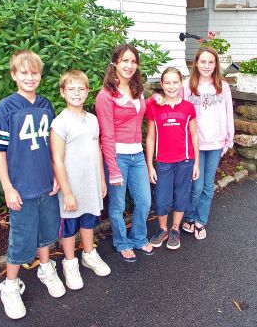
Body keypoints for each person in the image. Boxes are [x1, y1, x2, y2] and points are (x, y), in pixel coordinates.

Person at [0, 50, 65, 320]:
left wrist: (57, 174)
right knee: (21, 238)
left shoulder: (46, 104)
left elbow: (52, 146)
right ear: (13, 75)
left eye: (34, 72)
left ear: (40, 74)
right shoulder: (4, 108)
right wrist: (8, 187)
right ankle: (10, 285)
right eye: (24, 72)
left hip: (45, 181)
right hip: (21, 185)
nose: (30, 77)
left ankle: (45, 268)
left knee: (47, 231)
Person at [50, 70, 111, 290]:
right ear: (62, 92)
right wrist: (66, 192)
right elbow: (57, 159)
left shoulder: (93, 119)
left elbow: (98, 149)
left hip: (91, 183)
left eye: (81, 89)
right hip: (71, 186)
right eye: (71, 89)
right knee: (69, 226)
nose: (76, 93)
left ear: (87, 92)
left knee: (88, 220)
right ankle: (69, 263)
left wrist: (102, 179)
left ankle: (88, 253)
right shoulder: (60, 123)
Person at [95, 44, 153, 262]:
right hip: (117, 156)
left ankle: (138, 237)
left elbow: (138, 113)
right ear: (115, 64)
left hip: (137, 155)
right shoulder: (105, 95)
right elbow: (107, 135)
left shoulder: (138, 89)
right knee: (118, 205)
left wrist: (155, 100)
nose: (129, 66)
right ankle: (122, 242)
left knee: (145, 202)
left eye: (133, 61)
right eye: (124, 61)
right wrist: (113, 168)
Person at [181, 47, 234, 240]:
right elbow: (179, 112)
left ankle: (200, 220)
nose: (206, 66)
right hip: (195, 143)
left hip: (216, 142)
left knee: (207, 186)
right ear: (196, 63)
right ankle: (189, 215)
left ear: (216, 65)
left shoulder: (223, 86)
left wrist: (229, 138)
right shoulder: (187, 86)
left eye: (211, 62)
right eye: (203, 61)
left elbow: (228, 113)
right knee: (196, 186)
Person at [146, 67, 199, 250]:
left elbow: (194, 136)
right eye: (167, 82)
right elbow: (151, 137)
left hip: (185, 160)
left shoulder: (188, 107)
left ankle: (175, 228)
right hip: (163, 162)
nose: (171, 86)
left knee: (181, 196)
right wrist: (150, 165)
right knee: (161, 198)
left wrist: (196, 163)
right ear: (162, 84)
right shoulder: (154, 106)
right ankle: (163, 229)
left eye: (175, 82)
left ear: (181, 83)